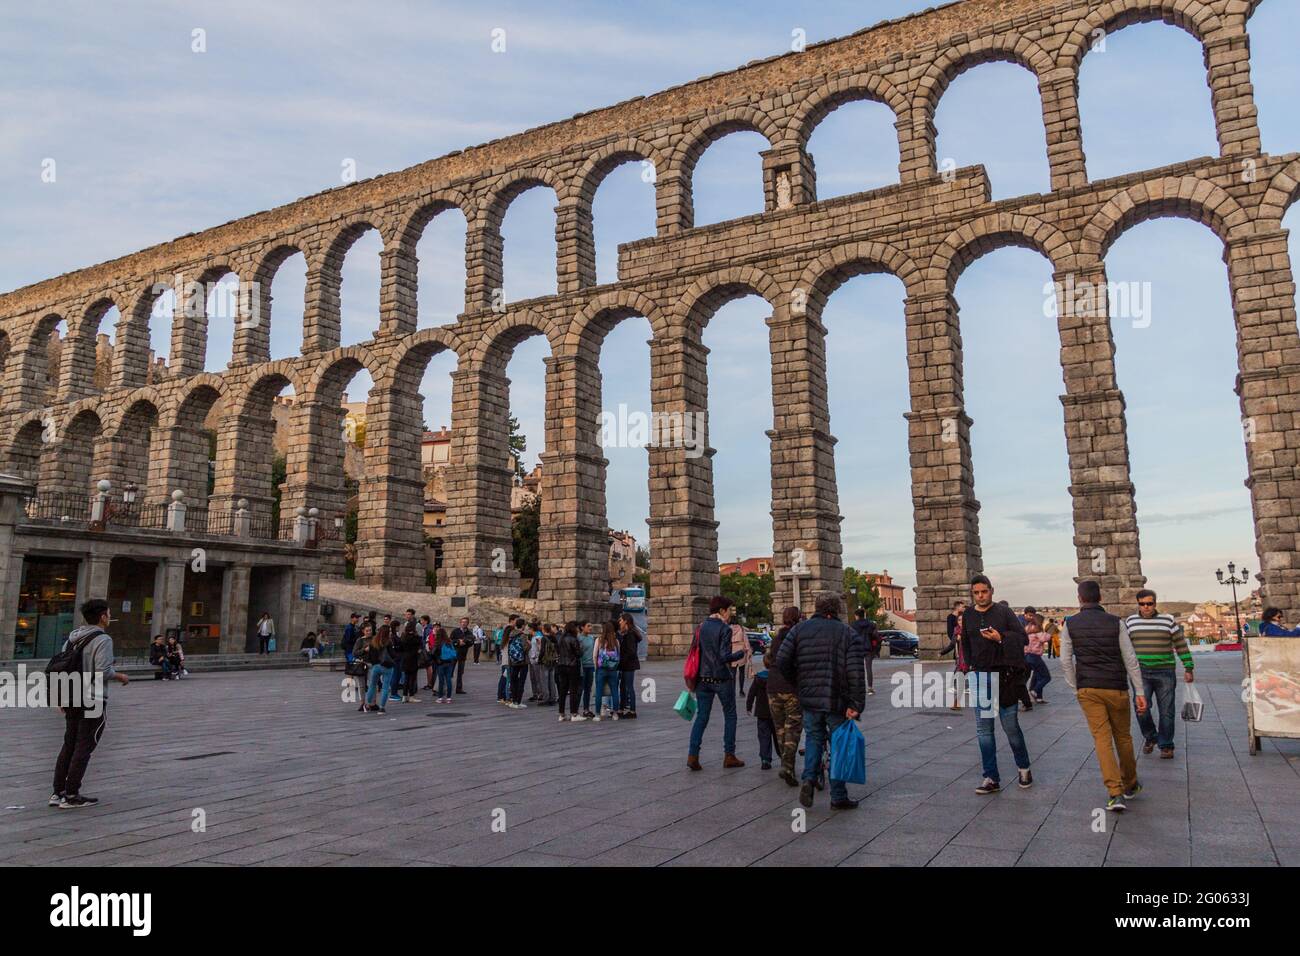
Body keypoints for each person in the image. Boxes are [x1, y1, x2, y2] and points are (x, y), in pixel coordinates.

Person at [1060, 580, 1146, 812]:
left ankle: (1114, 793)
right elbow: (1130, 659)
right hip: (1116, 687)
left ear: (1079, 598)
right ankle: (1130, 784)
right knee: (1124, 737)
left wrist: (1075, 685)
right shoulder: (1116, 622)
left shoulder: (1070, 624)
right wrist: (1139, 691)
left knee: (1102, 739)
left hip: (1088, 689)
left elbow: (1065, 660)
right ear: (1100, 597)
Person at [774, 592, 865, 810]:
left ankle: (808, 779)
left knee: (814, 738)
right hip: (837, 700)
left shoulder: (798, 630)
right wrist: (856, 704)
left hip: (809, 698)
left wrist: (798, 683)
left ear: (817, 608)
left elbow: (781, 660)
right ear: (835, 610)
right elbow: (855, 672)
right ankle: (838, 795)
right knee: (838, 745)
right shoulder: (847, 633)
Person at [51, 599, 129, 808]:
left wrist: (61, 697)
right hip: (92, 698)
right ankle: (72, 794)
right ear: (103, 616)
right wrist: (119, 675)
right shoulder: (103, 639)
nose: (109, 617)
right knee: (84, 746)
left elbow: (62, 666)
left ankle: (58, 792)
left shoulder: (72, 638)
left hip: (72, 696)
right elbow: (102, 671)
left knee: (69, 744)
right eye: (109, 613)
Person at [960, 575, 1033, 795]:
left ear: (992, 590)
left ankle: (1024, 768)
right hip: (981, 677)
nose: (981, 596)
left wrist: (1001, 638)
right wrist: (971, 667)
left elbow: (1023, 638)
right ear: (972, 593)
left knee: (1011, 728)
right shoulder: (969, 614)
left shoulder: (1004, 612)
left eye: (984, 591)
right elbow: (965, 642)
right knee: (984, 730)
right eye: (976, 592)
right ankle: (990, 777)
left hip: (1005, 678)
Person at [1124, 589, 1194, 760]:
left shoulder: (1168, 620)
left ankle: (1166, 745)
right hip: (1140, 673)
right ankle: (1151, 736)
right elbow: (1124, 648)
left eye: (1149, 603)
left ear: (1155, 603)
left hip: (1165, 671)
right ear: (1138, 604)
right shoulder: (1130, 622)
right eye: (1142, 604)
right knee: (1141, 708)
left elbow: (1180, 644)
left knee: (1167, 711)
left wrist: (1188, 666)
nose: (1146, 607)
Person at [686, 596, 747, 771]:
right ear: (721, 611)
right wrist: (739, 654)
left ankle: (693, 755)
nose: (730, 615)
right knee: (730, 715)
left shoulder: (701, 627)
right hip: (721, 678)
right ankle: (729, 755)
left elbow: (695, 651)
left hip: (703, 679)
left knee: (702, 717)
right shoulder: (724, 629)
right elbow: (723, 657)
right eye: (729, 610)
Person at [764, 606, 803, 787]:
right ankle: (788, 767)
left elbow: (768, 660)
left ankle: (785, 765)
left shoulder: (776, 638)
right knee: (792, 729)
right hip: (791, 688)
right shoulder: (797, 638)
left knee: (779, 729)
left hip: (772, 687)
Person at [361, 622, 397, 715]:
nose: (390, 632)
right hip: (387, 666)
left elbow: (370, 656)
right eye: (389, 631)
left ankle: (368, 704)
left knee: (372, 685)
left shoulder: (373, 641)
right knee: (385, 687)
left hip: (376, 666)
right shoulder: (388, 642)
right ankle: (382, 708)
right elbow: (393, 655)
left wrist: (374, 663)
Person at [746, 656, 774, 770]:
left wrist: (749, 706)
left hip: (761, 712)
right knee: (778, 737)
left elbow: (751, 694)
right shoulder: (776, 677)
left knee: (763, 736)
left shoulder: (758, 678)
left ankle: (765, 759)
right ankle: (784, 758)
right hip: (775, 712)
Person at [555, 621, 585, 721]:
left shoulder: (561, 639)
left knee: (563, 690)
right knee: (573, 690)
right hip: (572, 666)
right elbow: (578, 653)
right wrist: (581, 649)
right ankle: (574, 714)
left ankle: (561, 714)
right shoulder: (573, 639)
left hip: (561, 666)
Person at [592, 622, 622, 720]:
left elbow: (595, 655)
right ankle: (615, 714)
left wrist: (596, 666)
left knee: (599, 691)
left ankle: (597, 714)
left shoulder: (599, 640)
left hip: (601, 669)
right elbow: (618, 656)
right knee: (614, 691)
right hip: (612, 669)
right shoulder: (616, 641)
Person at [1023, 607, 1051, 704]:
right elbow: (1044, 639)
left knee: (1037, 675)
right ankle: (1034, 691)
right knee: (1046, 677)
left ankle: (1038, 697)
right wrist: (1050, 632)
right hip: (1034, 656)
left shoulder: (1027, 628)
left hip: (1027, 656)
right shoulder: (1037, 630)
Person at [851, 606, 880, 696]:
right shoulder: (871, 624)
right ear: (864, 615)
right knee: (868, 668)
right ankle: (870, 688)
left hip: (857, 649)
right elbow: (875, 636)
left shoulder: (853, 625)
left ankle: (859, 688)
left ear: (857, 616)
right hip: (868, 648)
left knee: (858, 668)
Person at [616, 613, 641, 719]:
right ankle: (622, 709)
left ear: (626, 621)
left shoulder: (630, 634)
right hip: (627, 664)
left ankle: (632, 711)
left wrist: (622, 660)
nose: (619, 622)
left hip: (629, 665)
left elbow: (631, 652)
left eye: (621, 620)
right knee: (623, 687)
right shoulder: (628, 633)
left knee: (629, 687)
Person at [397, 609, 422, 704]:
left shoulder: (403, 638)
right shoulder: (416, 638)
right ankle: (411, 696)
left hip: (405, 657)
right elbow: (420, 641)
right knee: (412, 678)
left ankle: (404, 696)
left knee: (406, 678)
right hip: (413, 657)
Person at [433, 626, 457, 703]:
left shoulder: (438, 643)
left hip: (441, 663)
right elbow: (454, 653)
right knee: (448, 680)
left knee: (441, 681)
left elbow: (433, 653)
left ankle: (440, 698)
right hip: (449, 663)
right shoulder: (449, 642)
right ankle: (449, 698)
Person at [578, 620, 597, 719]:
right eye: (588, 626)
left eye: (591, 626)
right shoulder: (579, 638)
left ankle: (586, 709)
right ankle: (576, 710)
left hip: (591, 666)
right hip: (582, 666)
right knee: (580, 689)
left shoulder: (591, 638)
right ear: (582, 627)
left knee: (588, 689)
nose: (590, 628)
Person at [450, 616, 472, 694]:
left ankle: (459, 689)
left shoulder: (469, 632)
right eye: (462, 622)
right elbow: (450, 640)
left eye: (465, 622)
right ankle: (446, 687)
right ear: (460, 623)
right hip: (454, 654)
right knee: (450, 671)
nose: (463, 623)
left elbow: (471, 641)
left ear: (467, 623)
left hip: (462, 655)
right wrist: (458, 642)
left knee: (460, 672)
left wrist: (464, 642)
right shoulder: (455, 631)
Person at [540, 624, 559, 706]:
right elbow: (557, 649)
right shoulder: (554, 637)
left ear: (544, 629)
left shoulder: (544, 638)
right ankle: (553, 697)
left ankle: (546, 698)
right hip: (553, 661)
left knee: (545, 680)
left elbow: (542, 650)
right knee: (551, 680)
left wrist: (539, 659)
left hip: (545, 661)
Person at [527, 620, 545, 703]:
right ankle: (535, 693)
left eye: (529, 629)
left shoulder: (538, 637)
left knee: (538, 678)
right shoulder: (533, 637)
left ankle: (540, 693)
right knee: (533, 678)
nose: (528, 631)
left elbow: (540, 648)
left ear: (532, 629)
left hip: (536, 660)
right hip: (531, 659)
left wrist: (537, 658)